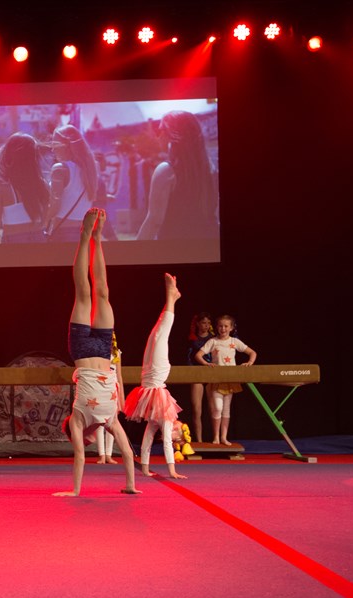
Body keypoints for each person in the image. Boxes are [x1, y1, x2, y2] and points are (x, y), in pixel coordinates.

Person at [55, 208, 139, 497]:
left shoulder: (77, 420)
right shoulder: (109, 420)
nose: (89, 441)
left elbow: (79, 456)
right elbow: (126, 451)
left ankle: (84, 237)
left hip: (81, 349)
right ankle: (98, 238)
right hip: (103, 351)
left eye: (86, 440)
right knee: (102, 292)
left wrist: (75, 491)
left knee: (83, 293)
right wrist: (130, 486)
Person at [123, 273, 188, 479]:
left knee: (155, 334)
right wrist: (172, 471)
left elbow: (149, 441)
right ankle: (171, 296)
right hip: (158, 375)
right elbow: (167, 441)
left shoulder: (157, 417)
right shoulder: (166, 414)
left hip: (147, 377)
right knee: (161, 335)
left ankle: (172, 297)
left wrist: (144, 469)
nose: (177, 427)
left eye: (178, 430)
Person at [135, 110, 218, 241]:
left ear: (171, 135)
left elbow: (154, 220)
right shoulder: (210, 169)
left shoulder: (166, 171)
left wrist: (134, 250)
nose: (158, 136)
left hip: (175, 247)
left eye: (160, 130)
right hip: (208, 246)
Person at [194, 314, 258, 446]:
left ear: (231, 328)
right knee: (218, 407)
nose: (223, 329)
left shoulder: (234, 342)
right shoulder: (213, 342)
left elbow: (252, 352)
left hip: (230, 380)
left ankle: (223, 437)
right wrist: (206, 364)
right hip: (217, 380)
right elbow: (198, 355)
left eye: (226, 326)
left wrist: (250, 362)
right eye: (220, 326)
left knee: (226, 409)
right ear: (217, 327)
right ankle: (216, 437)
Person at [0, 133, 50, 244]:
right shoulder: (41, 184)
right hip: (39, 239)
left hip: (14, 241)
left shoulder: (1, 185)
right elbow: (45, 219)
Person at [46, 124, 99, 243]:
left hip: (63, 232)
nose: (52, 149)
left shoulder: (60, 169)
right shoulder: (90, 170)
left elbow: (55, 205)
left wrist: (42, 223)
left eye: (55, 144)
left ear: (66, 145)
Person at [95, 332, 123, 465]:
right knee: (100, 422)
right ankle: (101, 454)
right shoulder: (98, 352)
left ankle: (109, 454)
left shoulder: (116, 353)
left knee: (112, 421)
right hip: (101, 387)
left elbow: (119, 375)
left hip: (113, 388)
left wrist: (121, 396)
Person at [187, 312, 214, 442]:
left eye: (208, 323)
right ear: (197, 324)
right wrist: (191, 372)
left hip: (211, 374)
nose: (206, 325)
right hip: (197, 374)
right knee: (197, 410)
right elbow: (189, 357)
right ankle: (199, 440)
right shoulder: (192, 339)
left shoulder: (214, 338)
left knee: (214, 409)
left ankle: (216, 439)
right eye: (203, 323)